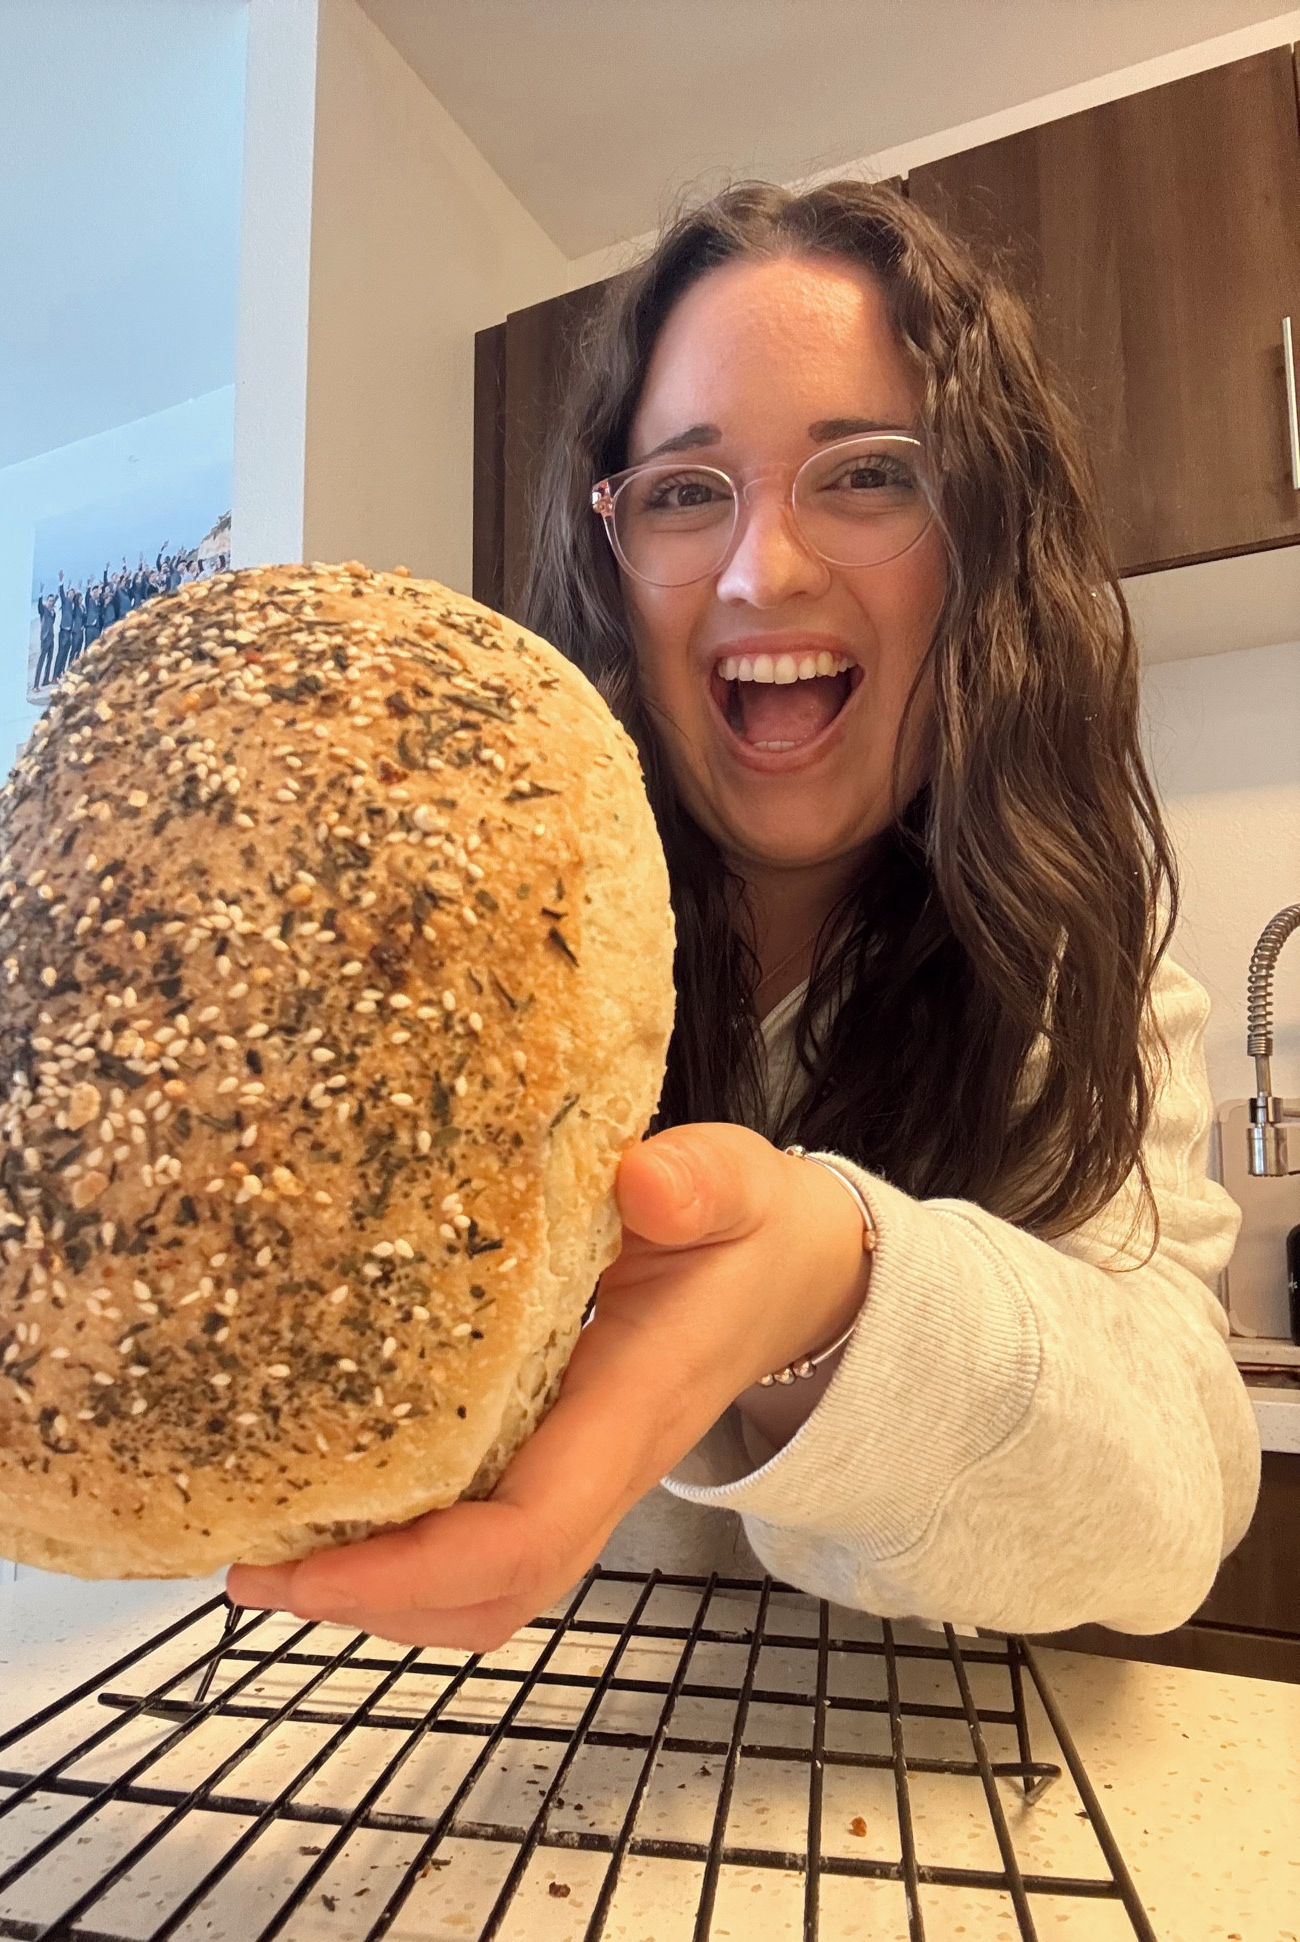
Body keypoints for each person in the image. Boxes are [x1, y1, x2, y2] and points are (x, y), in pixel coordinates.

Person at [230, 180, 1258, 1653]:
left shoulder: (1081, 980)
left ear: (982, 543)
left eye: (867, 476)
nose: (760, 569)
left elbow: (1184, 1496)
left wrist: (829, 1291)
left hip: (912, 1817)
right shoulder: (465, 951)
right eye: (686, 490)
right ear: (612, 555)